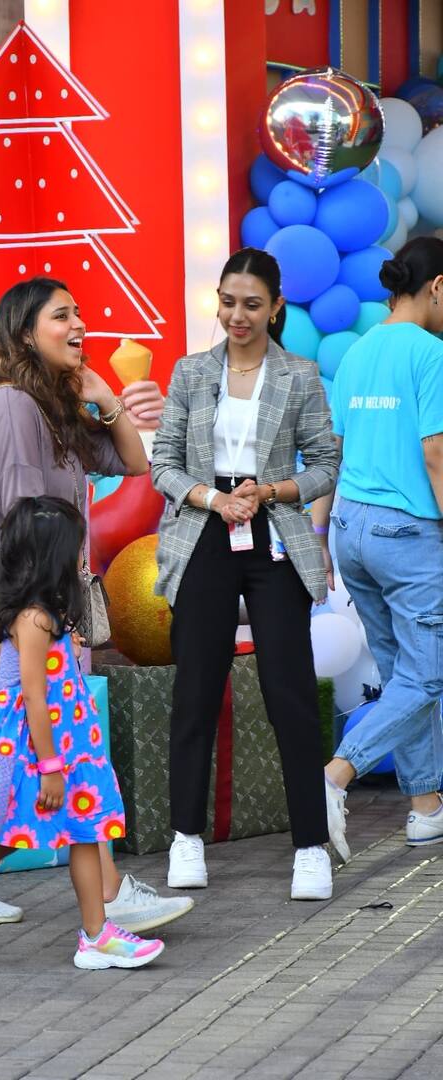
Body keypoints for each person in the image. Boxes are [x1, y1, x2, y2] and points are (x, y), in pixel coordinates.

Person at [0, 276, 194, 933]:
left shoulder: (51, 404)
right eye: (62, 315)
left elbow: (134, 464)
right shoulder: (13, 405)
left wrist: (106, 400)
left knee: (13, 742)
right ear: (24, 332)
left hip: (42, 580)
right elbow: (24, 517)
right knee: (26, 740)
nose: (79, 326)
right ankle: (95, 897)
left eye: (79, 314)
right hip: (19, 580)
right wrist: (37, 611)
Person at [0, 496, 165, 972]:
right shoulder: (36, 618)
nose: (82, 558)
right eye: (76, 549)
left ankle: (97, 936)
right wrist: (51, 768)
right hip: (35, 749)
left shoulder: (39, 615)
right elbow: (34, 699)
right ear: (55, 559)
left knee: (86, 829)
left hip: (63, 744)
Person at [152, 247, 339, 901]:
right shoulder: (191, 371)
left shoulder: (299, 374)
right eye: (228, 302)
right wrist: (212, 498)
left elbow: (325, 463)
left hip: (273, 531)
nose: (238, 315)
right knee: (196, 690)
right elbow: (163, 463)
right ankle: (185, 837)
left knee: (290, 691)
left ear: (276, 307)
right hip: (205, 529)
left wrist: (274, 491)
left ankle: (311, 846)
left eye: (252, 304)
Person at [320, 237, 443, 862]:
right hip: (407, 533)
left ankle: (425, 808)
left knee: (402, 674)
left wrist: (321, 536)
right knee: (429, 673)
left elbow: (334, 452)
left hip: (351, 529)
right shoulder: (430, 353)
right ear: (438, 287)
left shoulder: (359, 351)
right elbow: (435, 452)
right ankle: (337, 773)